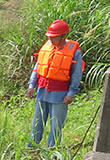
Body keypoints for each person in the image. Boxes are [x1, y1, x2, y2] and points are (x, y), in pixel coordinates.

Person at [26, 19, 84, 147]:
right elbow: (37, 67)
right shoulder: (47, 47)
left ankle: (52, 150)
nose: (51, 39)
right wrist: (31, 85)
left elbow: (76, 74)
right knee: (37, 121)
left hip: (60, 95)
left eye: (54, 36)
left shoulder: (74, 52)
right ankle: (32, 147)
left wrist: (71, 93)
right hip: (42, 91)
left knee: (56, 125)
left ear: (63, 36)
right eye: (50, 36)